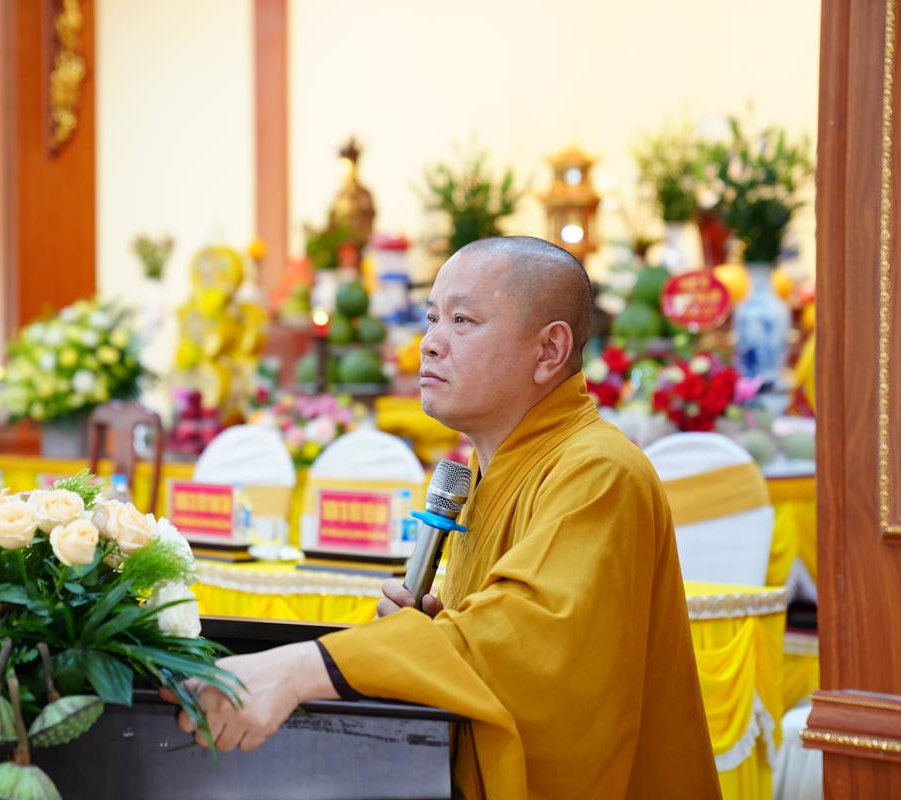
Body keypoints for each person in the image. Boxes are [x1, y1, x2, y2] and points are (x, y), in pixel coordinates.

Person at [162, 237, 720, 798]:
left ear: (549, 350)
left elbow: (520, 642)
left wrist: (299, 670)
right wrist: (425, 637)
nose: (428, 344)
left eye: (462, 320)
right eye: (431, 319)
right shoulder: (489, 471)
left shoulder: (601, 471)